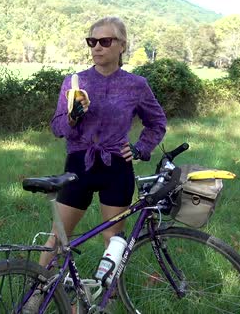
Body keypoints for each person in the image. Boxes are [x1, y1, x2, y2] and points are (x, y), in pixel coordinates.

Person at [25, 16, 167, 313]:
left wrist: (141, 149)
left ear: (122, 46)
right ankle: (36, 295)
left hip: (116, 168)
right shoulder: (75, 81)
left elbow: (156, 122)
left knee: (112, 239)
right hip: (79, 165)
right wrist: (74, 115)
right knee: (58, 237)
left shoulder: (136, 85)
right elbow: (57, 127)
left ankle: (103, 302)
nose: (97, 48)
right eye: (92, 42)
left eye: (105, 41)